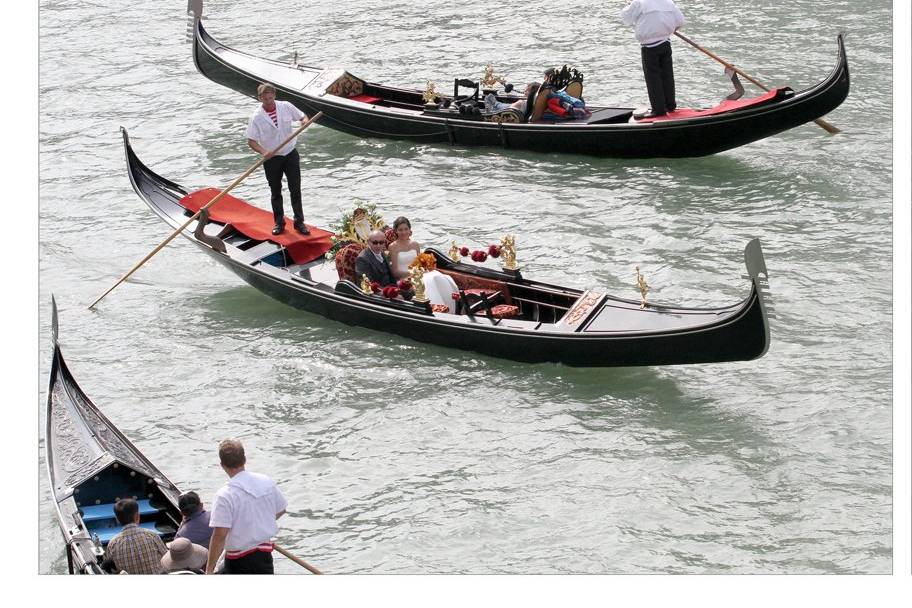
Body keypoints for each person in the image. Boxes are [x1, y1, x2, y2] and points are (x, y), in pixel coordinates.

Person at [206, 439, 287, 575]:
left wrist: (208, 570)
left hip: (238, 562)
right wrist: (259, 524)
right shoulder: (266, 481)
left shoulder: (224, 495)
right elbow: (281, 510)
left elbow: (220, 535)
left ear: (222, 465)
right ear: (244, 459)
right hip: (264, 556)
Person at [246, 82, 311, 236]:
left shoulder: (286, 106)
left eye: (271, 98)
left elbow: (303, 117)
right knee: (276, 191)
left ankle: (299, 222)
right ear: (260, 98)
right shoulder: (256, 117)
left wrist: (304, 122)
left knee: (295, 189)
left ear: (274, 96)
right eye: (265, 99)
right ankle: (279, 223)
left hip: (290, 153)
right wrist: (263, 151)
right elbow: (251, 141)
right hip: (272, 158)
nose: (269, 101)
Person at [620, 0, 685, 118]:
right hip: (665, 44)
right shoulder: (668, 2)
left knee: (653, 79)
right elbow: (680, 22)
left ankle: (659, 109)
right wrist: (666, 30)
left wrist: (629, 7)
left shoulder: (639, 3)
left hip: (649, 48)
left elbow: (626, 18)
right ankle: (670, 105)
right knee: (667, 75)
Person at [102, 498, 167, 574]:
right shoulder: (152, 535)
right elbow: (166, 556)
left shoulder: (112, 544)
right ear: (137, 516)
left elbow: (113, 566)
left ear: (117, 520)